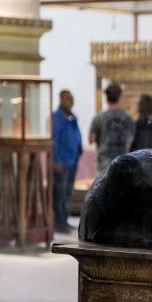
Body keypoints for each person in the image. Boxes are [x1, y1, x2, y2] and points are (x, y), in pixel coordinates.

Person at [89, 83, 134, 178]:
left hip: (103, 165)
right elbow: (129, 141)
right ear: (120, 97)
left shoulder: (98, 118)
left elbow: (91, 139)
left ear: (106, 97)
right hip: (121, 162)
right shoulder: (127, 118)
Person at [52, 90, 82, 233]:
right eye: (67, 99)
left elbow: (77, 135)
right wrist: (56, 160)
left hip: (73, 160)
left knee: (68, 192)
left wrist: (79, 150)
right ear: (61, 100)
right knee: (60, 192)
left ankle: (64, 220)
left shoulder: (72, 117)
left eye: (72, 99)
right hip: (62, 161)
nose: (71, 102)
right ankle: (59, 222)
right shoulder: (57, 117)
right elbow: (54, 140)